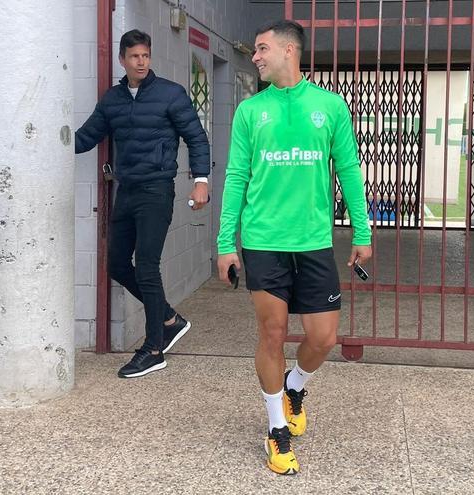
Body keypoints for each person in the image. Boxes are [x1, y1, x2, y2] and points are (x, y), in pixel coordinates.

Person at [216, 20, 372, 475]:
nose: (256, 57)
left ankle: (295, 385)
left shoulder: (330, 106)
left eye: (262, 49)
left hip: (314, 242)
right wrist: (227, 243)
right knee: (273, 333)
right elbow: (236, 178)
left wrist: (361, 232)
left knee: (323, 339)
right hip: (263, 241)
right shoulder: (250, 112)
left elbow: (350, 170)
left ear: (289, 50)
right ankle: (276, 429)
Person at [75, 29, 211, 378]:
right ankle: (168, 318)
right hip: (128, 190)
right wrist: (46, 141)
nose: (141, 62)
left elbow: (196, 137)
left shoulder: (170, 94)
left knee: (147, 265)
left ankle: (154, 348)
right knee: (117, 264)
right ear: (123, 59)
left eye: (145, 56)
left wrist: (200, 182)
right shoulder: (112, 100)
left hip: (156, 190)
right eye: (134, 56)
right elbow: (87, 137)